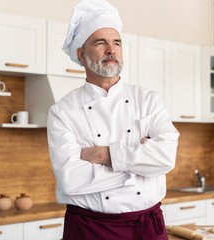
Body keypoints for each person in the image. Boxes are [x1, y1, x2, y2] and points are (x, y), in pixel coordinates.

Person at [46, 0, 179, 239]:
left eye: (116, 42)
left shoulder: (149, 100)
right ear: (81, 54)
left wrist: (103, 155)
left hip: (146, 226)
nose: (111, 50)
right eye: (100, 42)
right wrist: (138, 169)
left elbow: (166, 158)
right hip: (90, 229)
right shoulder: (62, 111)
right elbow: (71, 180)